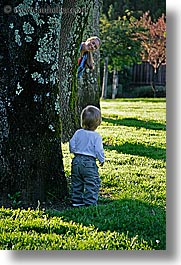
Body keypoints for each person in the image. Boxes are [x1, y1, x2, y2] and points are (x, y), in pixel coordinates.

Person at [69, 105, 105, 207]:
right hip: (89, 163)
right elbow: (98, 150)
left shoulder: (78, 132)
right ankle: (90, 202)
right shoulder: (96, 136)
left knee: (77, 182)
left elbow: (71, 143)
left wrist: (74, 151)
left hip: (76, 161)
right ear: (98, 122)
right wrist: (101, 160)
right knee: (91, 182)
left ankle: (76, 201)